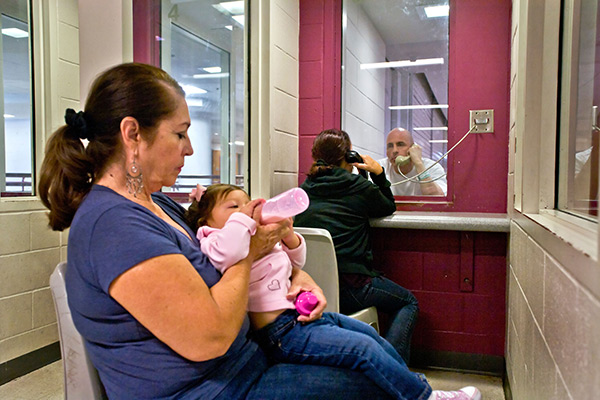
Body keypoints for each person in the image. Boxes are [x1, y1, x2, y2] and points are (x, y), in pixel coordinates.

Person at [37, 63, 480, 400]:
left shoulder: (159, 204)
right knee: (370, 380)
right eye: (180, 134)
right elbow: (209, 336)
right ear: (132, 134)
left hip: (246, 362)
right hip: (210, 390)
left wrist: (297, 279)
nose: (189, 149)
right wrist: (250, 252)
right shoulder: (113, 226)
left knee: (361, 336)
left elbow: (221, 271)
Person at [184, 183, 455, 399]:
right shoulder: (213, 238)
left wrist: (289, 237)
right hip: (281, 332)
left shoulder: (252, 235)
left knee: (371, 336)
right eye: (234, 206)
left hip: (301, 319)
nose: (246, 210)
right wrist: (244, 221)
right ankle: (422, 396)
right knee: (361, 350)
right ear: (206, 219)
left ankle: (415, 386)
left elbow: (296, 261)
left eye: (247, 202)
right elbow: (229, 251)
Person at [294, 129, 419, 365]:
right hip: (353, 288)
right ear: (348, 156)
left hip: (312, 290)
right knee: (408, 302)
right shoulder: (357, 187)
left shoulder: (304, 189)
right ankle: (394, 366)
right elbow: (386, 206)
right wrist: (378, 174)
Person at [377, 128, 447, 196]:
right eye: (390, 146)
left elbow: (436, 197)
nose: (394, 150)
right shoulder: (379, 167)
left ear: (412, 148)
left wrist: (418, 163)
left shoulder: (432, 167)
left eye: (400, 144)